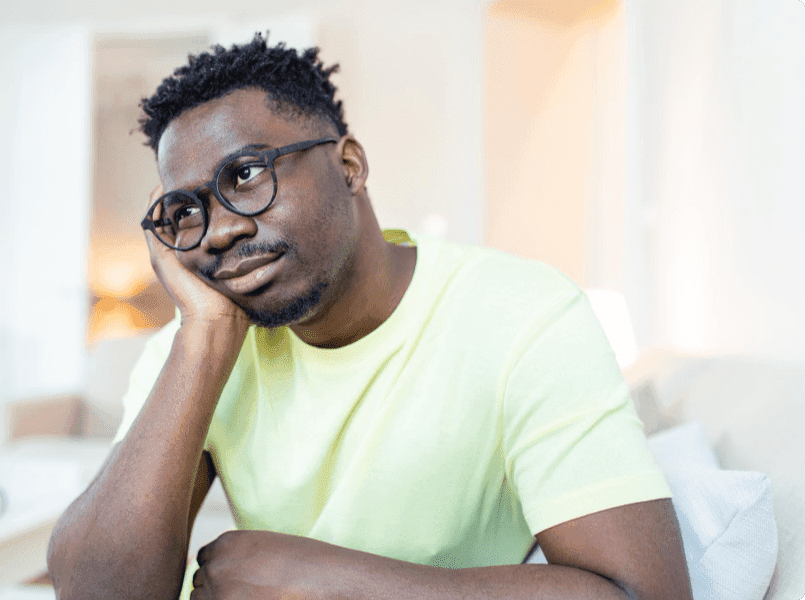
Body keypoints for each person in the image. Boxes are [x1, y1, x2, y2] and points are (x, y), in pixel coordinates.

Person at [47, 34, 693, 600]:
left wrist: (326, 583)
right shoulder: (193, 345)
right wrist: (206, 339)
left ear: (349, 165)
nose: (216, 232)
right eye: (186, 212)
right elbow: (98, 592)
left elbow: (642, 592)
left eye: (245, 174)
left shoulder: (521, 314)